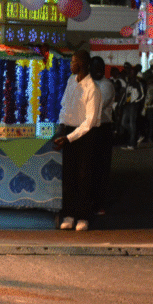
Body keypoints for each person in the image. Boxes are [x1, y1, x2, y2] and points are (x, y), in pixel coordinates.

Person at [52, 49, 100, 232]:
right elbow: (64, 106)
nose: (71, 64)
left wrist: (69, 137)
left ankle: (83, 217)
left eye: (73, 61)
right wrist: (61, 127)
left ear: (82, 64)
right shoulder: (71, 81)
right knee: (69, 176)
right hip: (70, 132)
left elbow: (89, 121)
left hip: (85, 135)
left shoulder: (93, 89)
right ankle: (69, 215)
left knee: (84, 177)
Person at [90, 56, 116, 219]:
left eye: (101, 67)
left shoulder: (106, 85)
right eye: (95, 67)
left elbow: (97, 107)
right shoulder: (85, 83)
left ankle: (99, 203)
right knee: (90, 167)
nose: (99, 70)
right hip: (89, 129)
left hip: (102, 129)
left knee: (101, 168)